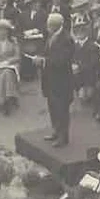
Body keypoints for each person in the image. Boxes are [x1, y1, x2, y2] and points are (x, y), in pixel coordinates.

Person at [38, 12, 74, 147]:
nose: (47, 27)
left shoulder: (66, 39)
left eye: (48, 24)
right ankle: (55, 130)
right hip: (50, 80)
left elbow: (61, 61)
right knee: (52, 107)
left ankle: (63, 137)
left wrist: (43, 61)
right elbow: (48, 53)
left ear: (55, 25)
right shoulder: (51, 36)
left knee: (62, 109)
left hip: (62, 81)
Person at [0, 19, 21, 114]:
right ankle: (7, 98)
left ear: (8, 31)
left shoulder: (13, 41)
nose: (2, 32)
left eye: (4, 30)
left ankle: (4, 100)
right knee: (4, 74)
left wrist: (8, 61)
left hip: (11, 66)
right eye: (0, 30)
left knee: (6, 73)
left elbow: (17, 56)